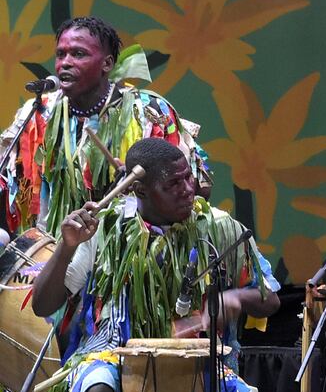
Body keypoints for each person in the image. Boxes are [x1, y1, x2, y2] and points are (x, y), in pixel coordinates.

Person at [23, 138, 279, 392]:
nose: (189, 189)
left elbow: (270, 298)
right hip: (113, 354)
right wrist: (67, 247)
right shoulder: (106, 230)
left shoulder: (218, 227)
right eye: (173, 184)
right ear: (139, 189)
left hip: (201, 362)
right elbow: (42, 305)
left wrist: (236, 298)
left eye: (188, 178)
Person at [0, 16, 209, 239]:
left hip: (128, 253)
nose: (66, 62)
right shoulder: (37, 113)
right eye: (61, 54)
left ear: (107, 64)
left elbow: (199, 188)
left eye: (78, 54)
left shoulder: (150, 114)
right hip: (51, 252)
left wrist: (141, 188)